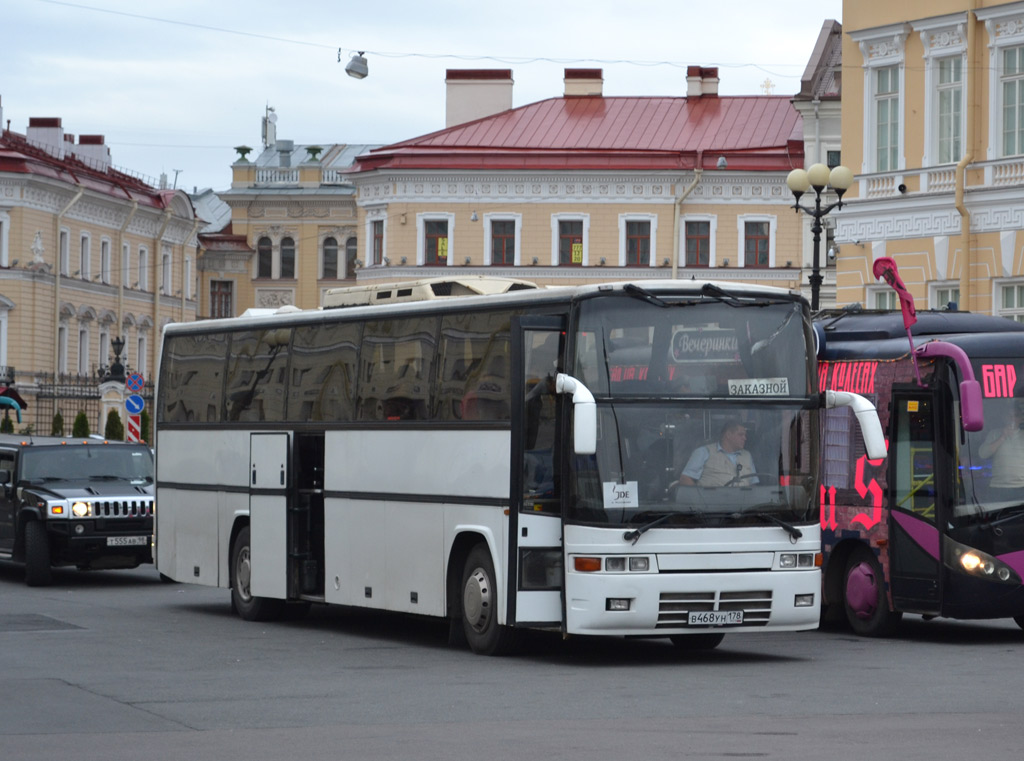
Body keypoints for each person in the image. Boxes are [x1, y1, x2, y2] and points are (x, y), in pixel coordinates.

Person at [678, 419, 758, 487]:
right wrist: (700, 501)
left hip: (745, 505)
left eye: (745, 435)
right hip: (712, 504)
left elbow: (753, 484)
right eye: (741, 435)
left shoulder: (747, 455)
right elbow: (686, 479)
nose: (745, 438)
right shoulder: (703, 452)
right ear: (728, 435)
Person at [978, 398, 1024, 490]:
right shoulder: (994, 433)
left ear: (1021, 419)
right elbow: (983, 454)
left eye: (1015, 416)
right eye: (1009, 416)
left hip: (1021, 486)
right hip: (998, 486)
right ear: (1004, 418)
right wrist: (1003, 437)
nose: (1012, 419)